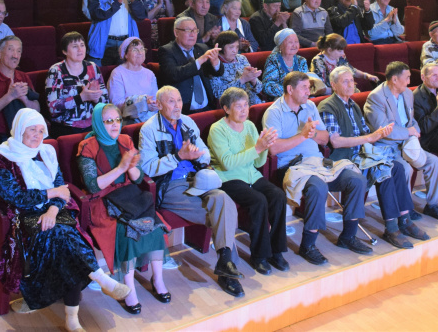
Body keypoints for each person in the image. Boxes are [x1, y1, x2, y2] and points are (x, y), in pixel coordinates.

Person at [0, 109, 131, 328]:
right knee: (67, 240)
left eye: (41, 130)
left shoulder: (47, 151)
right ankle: (95, 286)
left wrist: (53, 209)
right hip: (24, 215)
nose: (37, 135)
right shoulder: (1, 157)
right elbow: (15, 197)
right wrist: (52, 195)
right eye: (32, 130)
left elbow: (62, 189)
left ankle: (76, 314)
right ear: (19, 130)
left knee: (64, 238)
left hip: (55, 210)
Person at [138, 86, 245, 297]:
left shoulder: (187, 121)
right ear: (159, 105)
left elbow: (204, 152)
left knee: (223, 199)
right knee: (223, 214)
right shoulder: (149, 129)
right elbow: (148, 168)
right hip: (170, 185)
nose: (177, 105)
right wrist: (178, 157)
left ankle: (224, 262)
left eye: (179, 100)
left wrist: (199, 155)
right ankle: (228, 272)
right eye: (171, 101)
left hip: (197, 179)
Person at [263, 71, 373, 263]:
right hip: (292, 165)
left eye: (309, 87)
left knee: (357, 179)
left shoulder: (311, 106)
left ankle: (348, 236)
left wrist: (312, 134)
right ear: (290, 89)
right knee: (318, 186)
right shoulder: (274, 112)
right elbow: (273, 150)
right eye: (304, 87)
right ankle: (308, 245)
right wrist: (303, 135)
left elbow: (324, 138)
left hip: (317, 162)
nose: (309, 91)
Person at [320, 67, 431, 248]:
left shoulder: (353, 105)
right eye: (345, 81)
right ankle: (392, 227)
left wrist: (380, 133)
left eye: (352, 81)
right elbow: (336, 142)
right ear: (333, 85)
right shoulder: (328, 106)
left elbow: (366, 132)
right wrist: (370, 137)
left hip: (362, 155)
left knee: (396, 167)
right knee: (384, 171)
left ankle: (404, 219)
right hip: (342, 160)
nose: (351, 85)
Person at [76, 103, 169, 316]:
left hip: (129, 197)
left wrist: (131, 167)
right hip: (102, 202)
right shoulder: (87, 146)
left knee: (154, 226)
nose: (115, 125)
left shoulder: (125, 141)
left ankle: (158, 279)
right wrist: (120, 167)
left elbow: (137, 180)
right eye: (108, 121)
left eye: (117, 120)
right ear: (99, 122)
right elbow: (91, 185)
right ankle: (129, 289)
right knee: (127, 233)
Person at [207, 87, 290, 274]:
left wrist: (264, 147)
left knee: (278, 196)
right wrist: (258, 148)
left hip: (251, 174)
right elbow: (227, 163)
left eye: (246, 105)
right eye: (238, 106)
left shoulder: (251, 126)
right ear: (227, 109)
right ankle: (259, 256)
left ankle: (276, 251)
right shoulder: (217, 129)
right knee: (258, 200)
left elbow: (258, 162)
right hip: (229, 178)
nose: (244, 110)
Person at [363, 62, 438, 221]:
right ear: (395, 79)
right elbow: (382, 130)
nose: (410, 82)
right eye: (407, 78)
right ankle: (405, 209)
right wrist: (408, 132)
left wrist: (415, 130)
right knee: (405, 169)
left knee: (433, 161)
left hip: (407, 143)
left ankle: (432, 205)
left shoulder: (407, 94)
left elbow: (411, 120)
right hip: (387, 146)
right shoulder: (376, 97)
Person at [0, 35, 40, 146]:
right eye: (11, 50)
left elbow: (36, 110)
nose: (15, 55)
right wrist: (10, 96)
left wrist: (24, 99)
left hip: (25, 135)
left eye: (19, 51)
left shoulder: (23, 77)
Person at [44, 32, 108, 138]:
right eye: (75, 46)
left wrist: (96, 99)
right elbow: (53, 108)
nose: (80, 49)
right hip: (66, 128)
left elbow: (106, 103)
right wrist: (81, 97)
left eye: (82, 45)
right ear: (64, 51)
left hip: (92, 126)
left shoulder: (93, 67)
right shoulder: (56, 70)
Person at [157, 16, 222, 114]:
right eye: (188, 30)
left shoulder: (202, 48)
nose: (192, 34)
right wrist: (199, 61)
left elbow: (218, 72)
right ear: (176, 33)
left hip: (208, 107)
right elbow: (173, 75)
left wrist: (216, 63)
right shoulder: (167, 51)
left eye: (195, 30)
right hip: (183, 110)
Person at [107, 37, 159, 125]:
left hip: (151, 120)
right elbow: (117, 105)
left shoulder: (149, 73)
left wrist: (154, 105)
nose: (140, 52)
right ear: (125, 54)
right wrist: (142, 105)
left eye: (142, 49)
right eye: (135, 50)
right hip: (128, 121)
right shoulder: (117, 73)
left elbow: (155, 99)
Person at [208, 31, 264, 106]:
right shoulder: (215, 63)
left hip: (254, 101)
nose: (235, 50)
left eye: (237, 47)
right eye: (231, 47)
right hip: (234, 105)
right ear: (221, 47)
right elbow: (218, 93)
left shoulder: (241, 58)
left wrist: (253, 80)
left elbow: (259, 88)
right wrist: (242, 80)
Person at [261, 29, 309, 101]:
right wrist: (291, 92)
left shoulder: (301, 61)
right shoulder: (274, 59)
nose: (294, 45)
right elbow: (267, 85)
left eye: (296, 42)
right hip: (280, 98)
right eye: (290, 42)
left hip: (300, 96)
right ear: (280, 46)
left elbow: (306, 82)